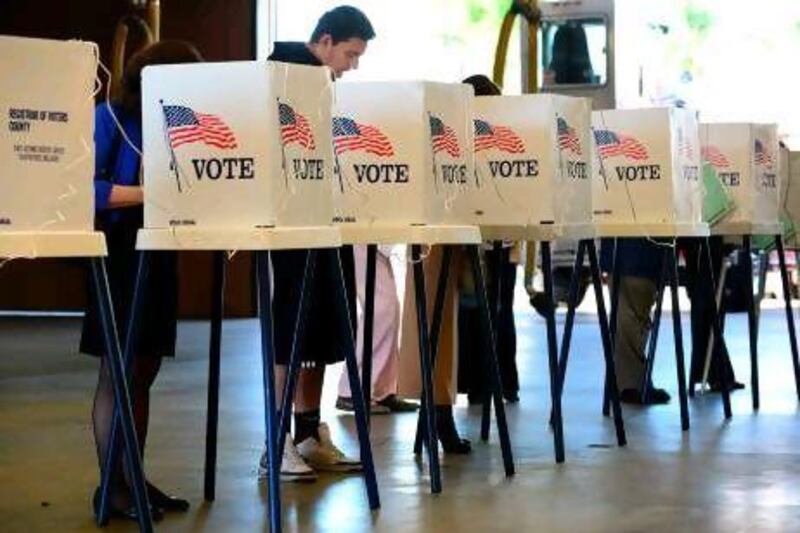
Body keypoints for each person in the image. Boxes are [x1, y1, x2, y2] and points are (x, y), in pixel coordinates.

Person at [81, 40, 202, 522]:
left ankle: (132, 475)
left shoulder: (181, 121)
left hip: (158, 251)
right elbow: (82, 189)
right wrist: (148, 192)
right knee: (118, 371)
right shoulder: (109, 118)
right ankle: (111, 487)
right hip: (117, 255)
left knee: (145, 370)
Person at [260, 5, 376, 483]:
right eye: (349, 54)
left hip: (330, 221)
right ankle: (275, 442)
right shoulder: (279, 74)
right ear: (324, 41)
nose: (353, 65)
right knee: (291, 332)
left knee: (327, 330)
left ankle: (308, 433)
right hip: (290, 226)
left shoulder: (325, 86)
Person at [336, 245, 418, 414]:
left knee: (388, 307)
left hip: (370, 236)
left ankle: (381, 389)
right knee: (381, 307)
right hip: (362, 235)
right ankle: (353, 389)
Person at [600, 238, 672, 405]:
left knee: (632, 319)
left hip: (625, 250)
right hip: (639, 251)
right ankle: (631, 385)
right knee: (631, 319)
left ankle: (633, 383)